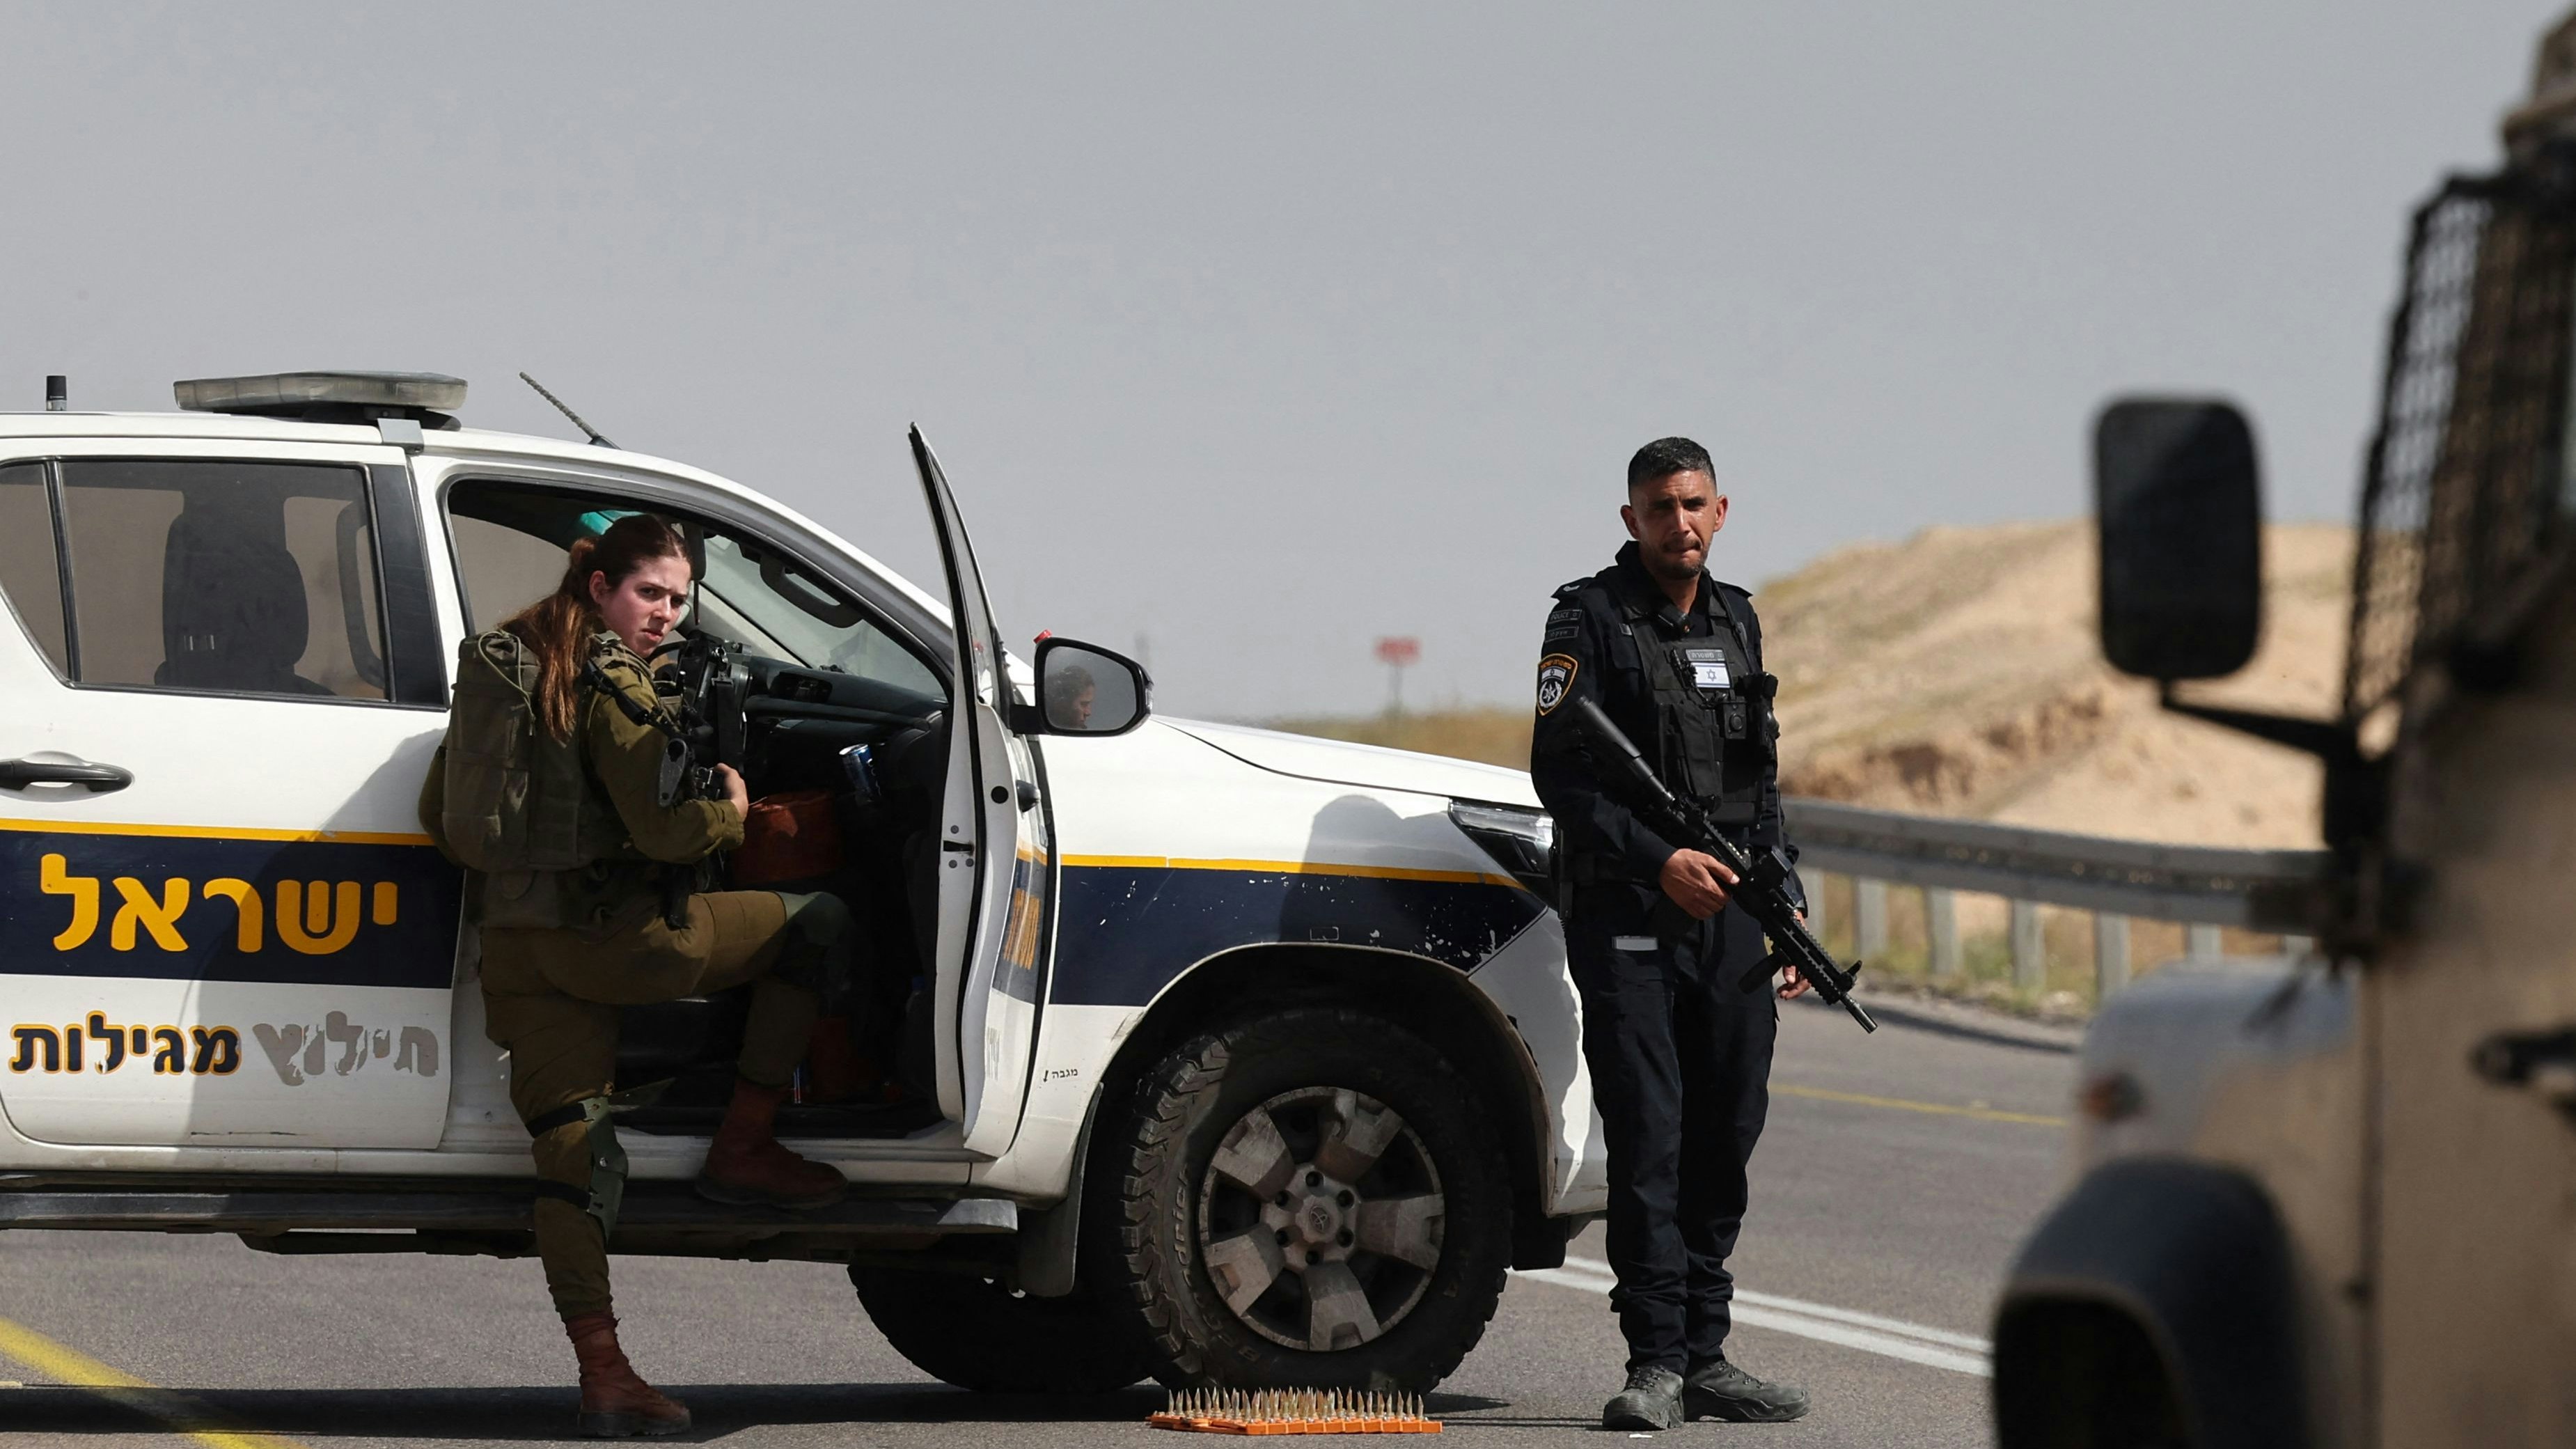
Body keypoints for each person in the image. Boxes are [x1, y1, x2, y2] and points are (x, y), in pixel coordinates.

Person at [418, 513, 860, 1438]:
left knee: (574, 1151)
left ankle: (604, 1373)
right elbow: (666, 829)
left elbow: (441, 805)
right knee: (821, 924)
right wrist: (731, 814)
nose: (664, 614)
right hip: (623, 945)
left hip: (518, 948)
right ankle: (744, 1142)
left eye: (676, 599)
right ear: (600, 588)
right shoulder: (614, 683)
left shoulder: (506, 662)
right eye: (650, 594)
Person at [1529, 437, 1812, 1431]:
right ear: (1631, 520)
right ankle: (1655, 1358)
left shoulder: (1738, 618)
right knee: (1651, 1136)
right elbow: (1560, 776)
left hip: (1733, 916)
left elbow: (1759, 779)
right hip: (1632, 918)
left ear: (1721, 510)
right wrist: (1659, 862)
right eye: (1659, 507)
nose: (1678, 522)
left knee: (1727, 1131)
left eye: (1693, 504)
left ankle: (1707, 1354)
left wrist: (1782, 895)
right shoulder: (1589, 620)